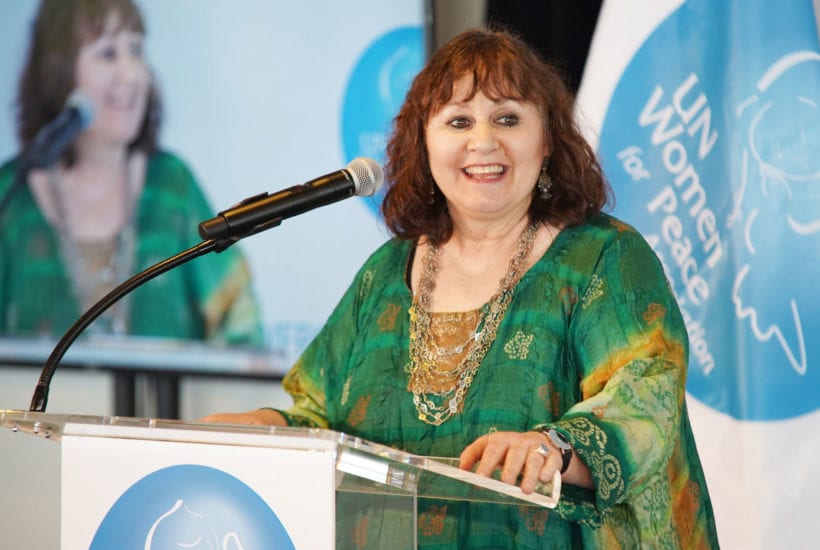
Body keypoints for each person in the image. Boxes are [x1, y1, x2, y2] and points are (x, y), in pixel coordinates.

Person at [202, 28, 720, 548]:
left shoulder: (603, 257)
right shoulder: (385, 274)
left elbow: (645, 398)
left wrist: (552, 447)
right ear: (424, 144)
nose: (483, 142)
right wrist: (265, 423)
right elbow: (320, 412)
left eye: (508, 119)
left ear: (546, 141)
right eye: (458, 121)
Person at [0, 0, 263, 344]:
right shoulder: (12, 195)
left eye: (136, 50)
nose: (131, 73)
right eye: (107, 53)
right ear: (57, 69)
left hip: (166, 401)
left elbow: (241, 327)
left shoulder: (172, 186)